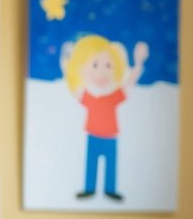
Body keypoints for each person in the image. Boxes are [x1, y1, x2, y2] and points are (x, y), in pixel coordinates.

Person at [61, 34, 149, 201]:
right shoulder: (88, 97)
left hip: (110, 137)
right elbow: (72, 83)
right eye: (95, 65)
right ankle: (89, 188)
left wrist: (138, 64)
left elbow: (129, 82)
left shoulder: (113, 96)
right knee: (91, 164)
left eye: (108, 65)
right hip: (93, 135)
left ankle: (110, 189)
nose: (102, 71)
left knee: (111, 165)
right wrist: (66, 62)